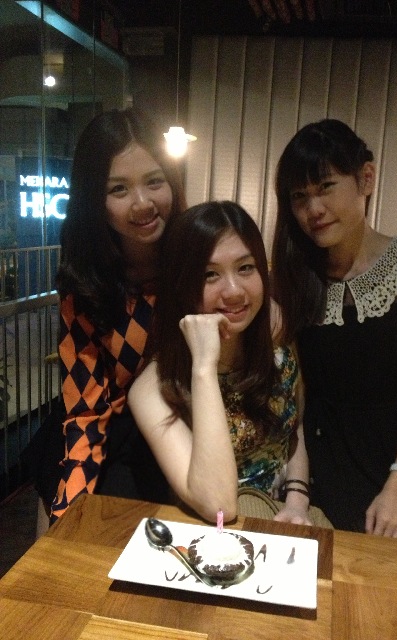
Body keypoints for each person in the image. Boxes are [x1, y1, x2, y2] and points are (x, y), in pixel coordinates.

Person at [271, 119, 397, 543]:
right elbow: (297, 393)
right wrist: (297, 490)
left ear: (366, 178)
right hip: (327, 460)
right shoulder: (292, 276)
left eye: (325, 186)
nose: (313, 209)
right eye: (299, 197)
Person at [129, 200, 326, 525]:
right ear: (181, 285)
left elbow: (295, 430)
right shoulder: (154, 388)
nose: (234, 291)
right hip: (216, 531)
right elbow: (218, 505)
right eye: (210, 274)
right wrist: (204, 367)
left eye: (246, 267)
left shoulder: (277, 341)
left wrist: (297, 501)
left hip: (287, 515)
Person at [44, 108, 187, 525]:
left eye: (154, 181)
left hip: (190, 431)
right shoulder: (85, 288)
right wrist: (68, 522)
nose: (143, 204)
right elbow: (86, 413)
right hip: (114, 441)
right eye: (118, 189)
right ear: (94, 201)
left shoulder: (195, 264)